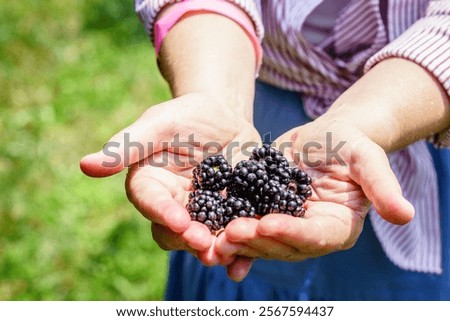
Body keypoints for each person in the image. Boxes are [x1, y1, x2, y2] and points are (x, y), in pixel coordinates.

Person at [80, 0, 450, 300]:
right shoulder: (239, 159)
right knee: (237, 262)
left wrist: (365, 122)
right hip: (249, 96)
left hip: (417, 107)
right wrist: (212, 96)